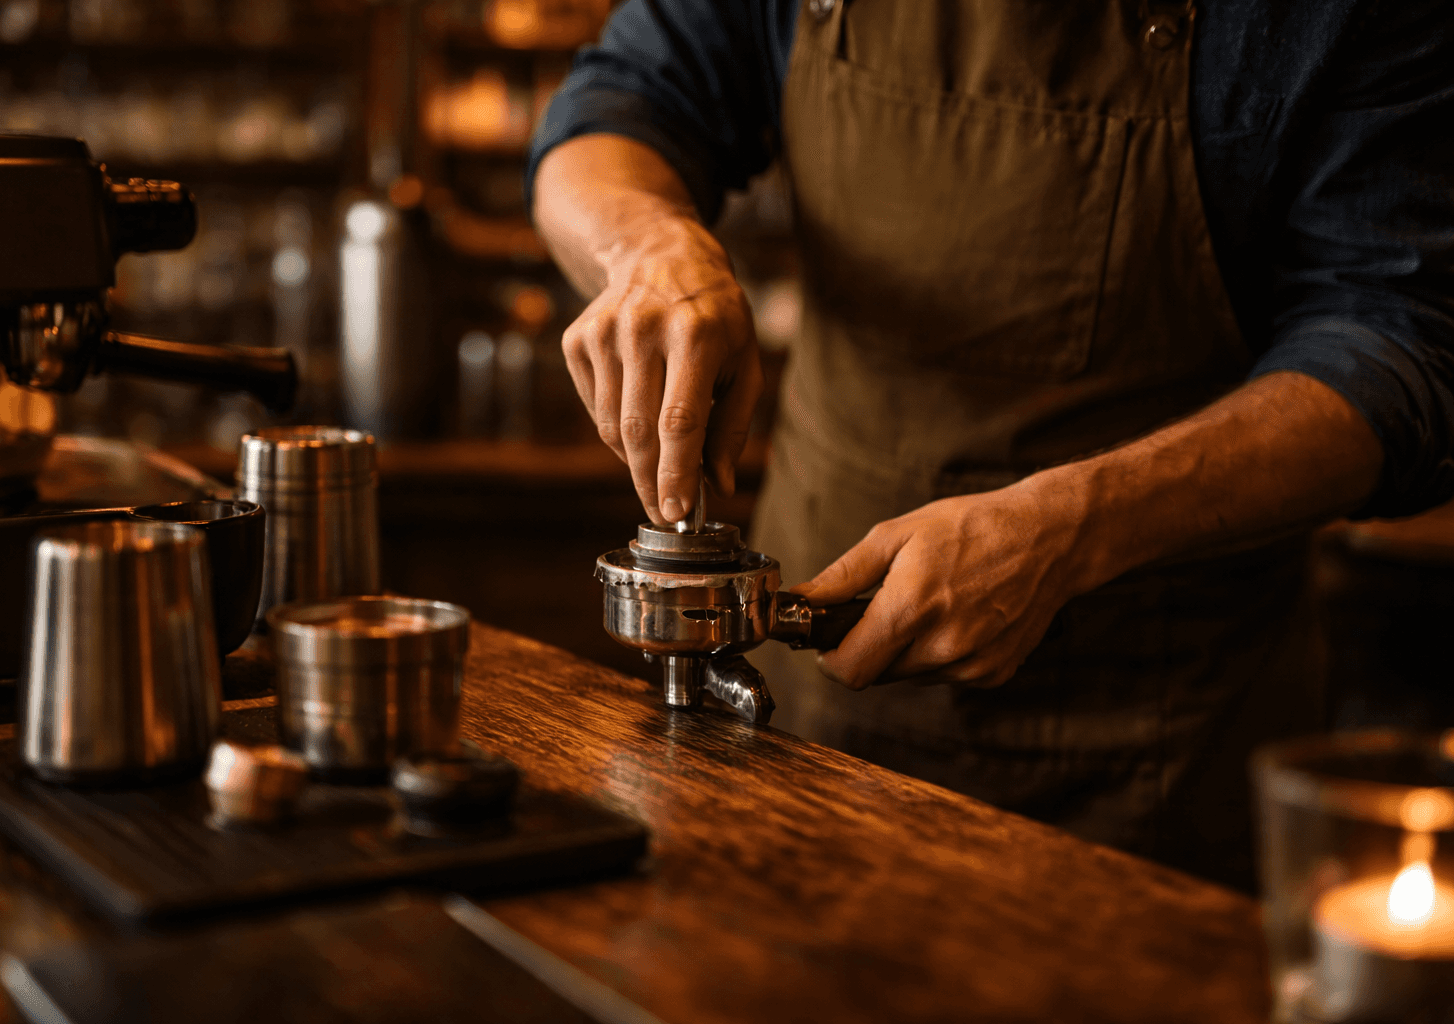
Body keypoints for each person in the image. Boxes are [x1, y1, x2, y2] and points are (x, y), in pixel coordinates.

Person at [525, 0, 1454, 889]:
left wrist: (1075, 523)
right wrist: (644, 244)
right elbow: (613, 107)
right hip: (813, 721)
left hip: (1155, 753)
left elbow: (1405, 341)